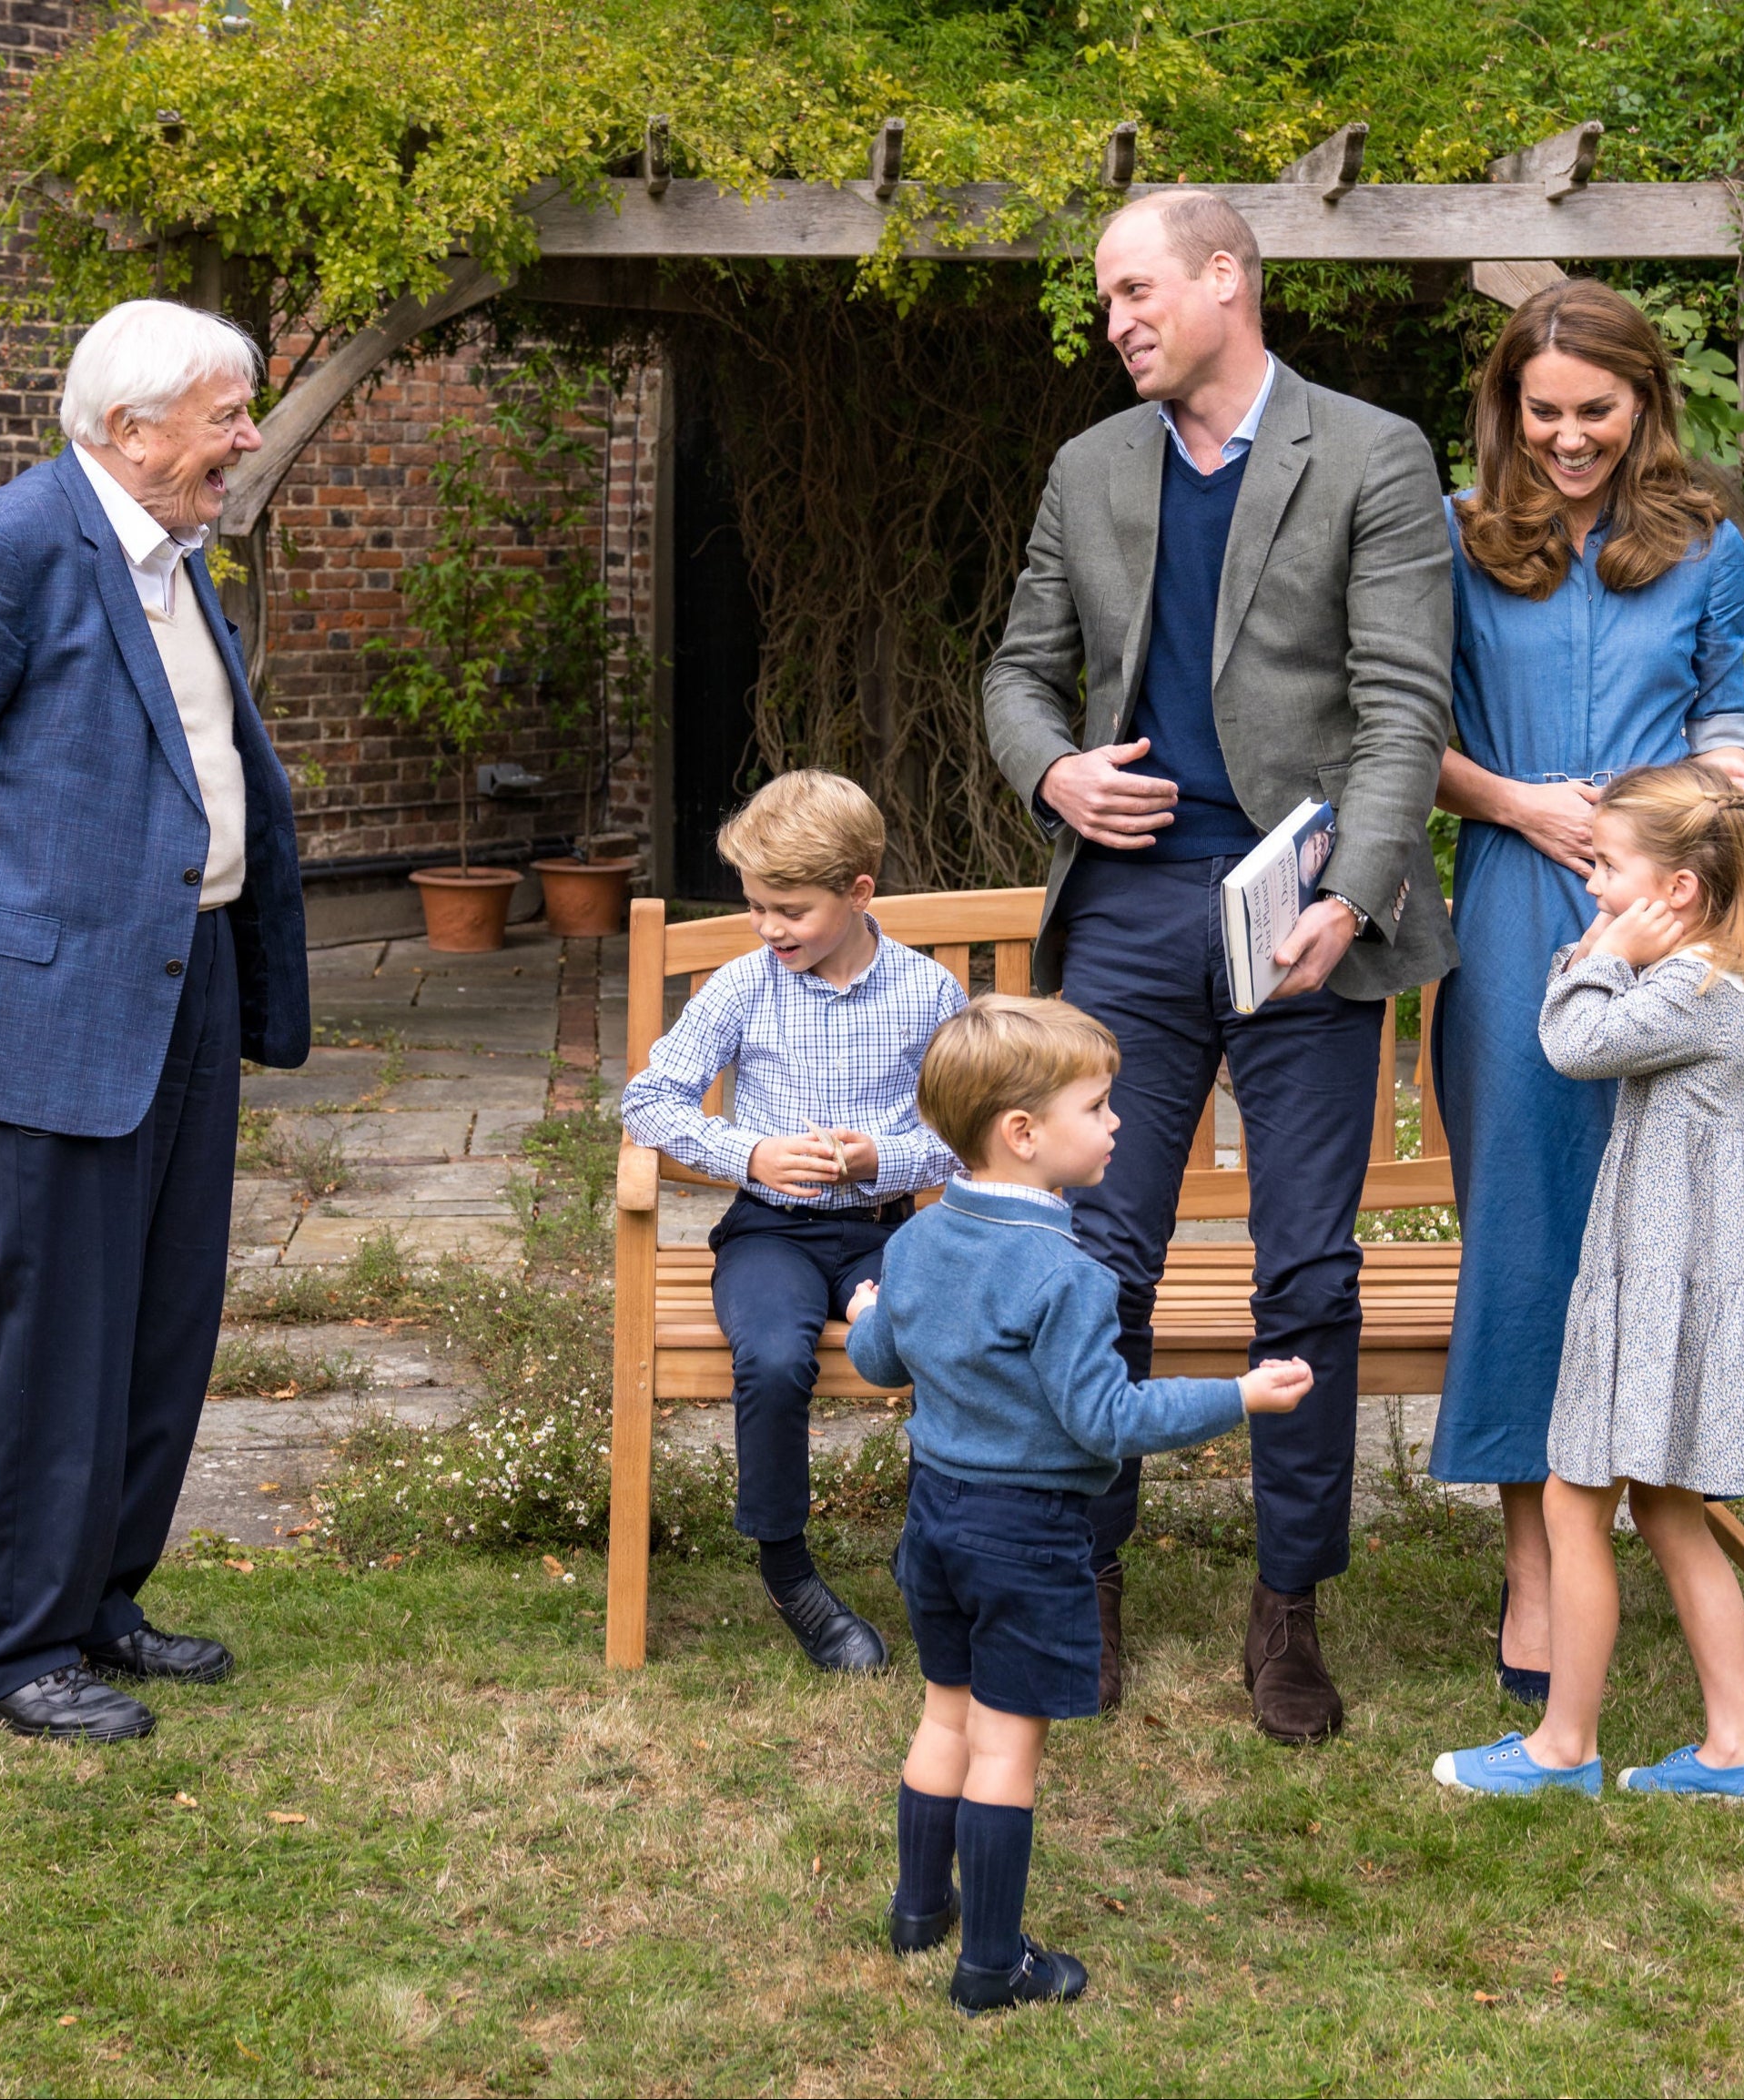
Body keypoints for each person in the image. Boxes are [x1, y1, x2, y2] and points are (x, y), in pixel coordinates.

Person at [984, 188, 1455, 1741]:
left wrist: (1358, 893)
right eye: (1106, 298)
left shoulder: (1371, 454)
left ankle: (1288, 1604)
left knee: (1305, 1268)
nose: (1114, 320)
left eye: (1134, 291)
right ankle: (1086, 1574)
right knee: (1095, 1259)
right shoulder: (1089, 468)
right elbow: (1016, 671)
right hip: (1127, 914)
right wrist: (1053, 769)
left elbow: (1402, 706)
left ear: (1223, 279)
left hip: (1300, 914)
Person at [1426, 279, 1744, 1744]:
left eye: (1595, 410)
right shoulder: (1452, 536)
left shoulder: (1700, 541)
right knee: (1528, 1225)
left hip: (1674, 914)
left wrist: (1720, 775)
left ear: (1642, 403)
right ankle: (1532, 1563)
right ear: (1506, 406)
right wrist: (1518, 802)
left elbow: (1719, 709)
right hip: (1515, 903)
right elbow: (1402, 731)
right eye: (1542, 411)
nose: (1568, 437)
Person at [0, 299, 309, 1743]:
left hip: (184, 970)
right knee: (60, 1333)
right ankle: (12, 1649)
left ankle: (101, 1599)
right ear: (129, 429)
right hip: (52, 1000)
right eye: (224, 416)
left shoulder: (170, 553)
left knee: (163, 1316)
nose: (247, 438)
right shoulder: (13, 547)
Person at [846, 995, 1313, 2010]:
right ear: (1023, 1133)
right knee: (1005, 1745)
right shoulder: (1068, 1276)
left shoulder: (917, 1241)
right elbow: (1107, 1419)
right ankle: (992, 1966)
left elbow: (880, 1360)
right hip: (1025, 1535)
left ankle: (918, 1912)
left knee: (945, 1714)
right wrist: (1239, 1395)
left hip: (935, 1521)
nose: (1115, 1124)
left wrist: (864, 1310)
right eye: (1097, 1107)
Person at [1437, 763, 1744, 1799]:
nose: (1593, 886)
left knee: (1573, 1504)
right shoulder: (1713, 977)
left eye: (1609, 869)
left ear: (1679, 891)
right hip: (1675, 1278)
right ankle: (1736, 1748)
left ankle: (1562, 1749)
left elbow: (1570, 1043)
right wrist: (1613, 942)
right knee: (1665, 1510)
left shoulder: (1690, 989)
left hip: (1663, 1289)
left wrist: (1601, 950)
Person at [619, 770, 966, 1671]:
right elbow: (649, 1101)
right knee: (773, 1358)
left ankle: (930, 1550)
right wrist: (751, 1154)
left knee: (943, 1341)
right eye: (755, 906)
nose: (768, 928)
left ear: (859, 892)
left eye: (790, 910)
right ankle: (788, 1573)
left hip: (888, 1233)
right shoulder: (743, 987)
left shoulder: (928, 993)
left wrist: (882, 1158)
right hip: (769, 1234)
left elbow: (969, 1136)